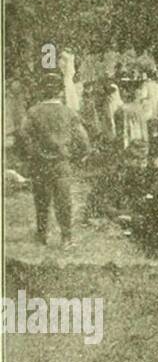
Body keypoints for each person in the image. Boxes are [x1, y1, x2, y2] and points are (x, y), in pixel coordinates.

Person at [16, 73, 91, 247]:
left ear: (42, 91)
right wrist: (80, 155)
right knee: (63, 201)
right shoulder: (68, 112)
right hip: (62, 163)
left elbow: (23, 134)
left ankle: (42, 236)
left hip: (40, 163)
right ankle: (66, 238)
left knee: (41, 200)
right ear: (60, 92)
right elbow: (83, 138)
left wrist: (31, 153)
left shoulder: (33, 111)